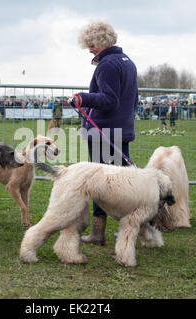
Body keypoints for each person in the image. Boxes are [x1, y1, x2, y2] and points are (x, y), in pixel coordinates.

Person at [69, 21, 138, 245]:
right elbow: (133, 100)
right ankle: (129, 228)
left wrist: (83, 97)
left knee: (102, 184)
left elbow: (109, 100)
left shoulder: (107, 65)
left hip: (104, 133)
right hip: (121, 130)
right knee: (121, 182)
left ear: (102, 41)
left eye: (91, 44)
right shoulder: (128, 62)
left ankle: (98, 233)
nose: (89, 49)